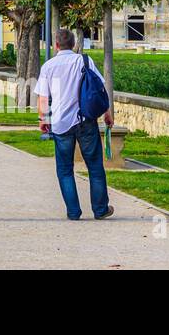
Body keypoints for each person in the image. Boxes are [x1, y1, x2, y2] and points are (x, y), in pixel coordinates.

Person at [36, 28, 115, 221]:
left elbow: (43, 98)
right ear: (74, 44)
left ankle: (73, 211)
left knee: (64, 169)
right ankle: (100, 209)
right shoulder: (84, 61)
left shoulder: (48, 66)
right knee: (95, 166)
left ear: (55, 45)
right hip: (85, 120)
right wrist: (107, 113)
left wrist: (43, 120)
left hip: (61, 122)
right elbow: (99, 89)